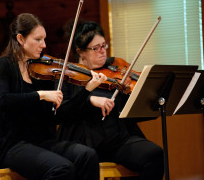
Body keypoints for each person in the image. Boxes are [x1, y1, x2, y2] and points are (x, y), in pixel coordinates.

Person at [0, 13, 107, 180]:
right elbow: (2, 101)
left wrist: (87, 90)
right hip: (11, 146)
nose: (43, 45)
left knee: (87, 156)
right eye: (38, 39)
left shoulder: (41, 72)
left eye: (44, 39)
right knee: (62, 168)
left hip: (41, 144)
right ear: (21, 39)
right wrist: (40, 95)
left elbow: (60, 115)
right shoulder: (1, 66)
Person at [56, 21, 164, 180]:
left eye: (103, 46)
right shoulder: (67, 76)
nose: (102, 52)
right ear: (81, 52)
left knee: (154, 155)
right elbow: (62, 112)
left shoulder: (115, 71)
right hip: (84, 142)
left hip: (118, 141)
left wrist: (150, 99)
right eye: (95, 48)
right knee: (86, 157)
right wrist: (89, 100)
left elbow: (133, 113)